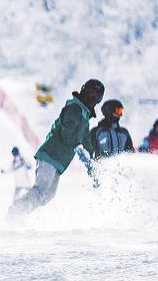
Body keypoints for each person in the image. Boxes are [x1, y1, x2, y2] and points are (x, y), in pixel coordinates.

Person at [10, 79, 104, 214]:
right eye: (91, 93)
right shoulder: (74, 107)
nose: (92, 98)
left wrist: (92, 163)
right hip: (50, 154)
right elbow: (68, 130)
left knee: (47, 196)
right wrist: (77, 146)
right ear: (84, 90)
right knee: (41, 191)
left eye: (97, 96)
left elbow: (86, 141)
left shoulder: (84, 115)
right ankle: (15, 212)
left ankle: (20, 211)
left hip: (59, 160)